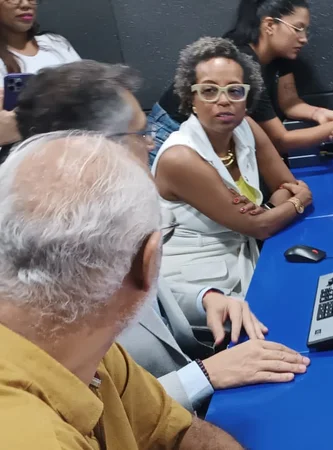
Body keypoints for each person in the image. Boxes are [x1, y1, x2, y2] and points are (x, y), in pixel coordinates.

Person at [15, 60, 311, 413]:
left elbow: (150, 309)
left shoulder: (110, 222)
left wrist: (204, 298)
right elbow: (87, 414)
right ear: (89, 149)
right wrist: (203, 376)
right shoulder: (42, 260)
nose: (150, 141)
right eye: (139, 133)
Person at [0, 131, 245, 448]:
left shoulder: (94, 351)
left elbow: (173, 430)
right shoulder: (33, 437)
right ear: (149, 262)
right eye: (137, 132)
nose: (150, 142)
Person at [152, 37, 312, 321]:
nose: (223, 100)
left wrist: (270, 211)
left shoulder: (245, 127)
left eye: (235, 90)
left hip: (247, 261)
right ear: (191, 99)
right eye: (209, 91)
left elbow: (284, 185)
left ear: (247, 98)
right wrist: (299, 201)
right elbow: (262, 225)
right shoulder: (180, 158)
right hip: (200, 288)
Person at [148, 0, 333, 163]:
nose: (304, 39)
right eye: (298, 29)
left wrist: (319, 113)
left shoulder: (282, 55)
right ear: (269, 25)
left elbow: (290, 103)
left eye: (306, 31)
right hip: (170, 131)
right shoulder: (242, 65)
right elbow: (281, 140)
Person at [0, 0, 81, 147]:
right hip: (25, 152)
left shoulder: (56, 43)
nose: (26, 4)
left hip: (79, 142)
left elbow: (89, 93)